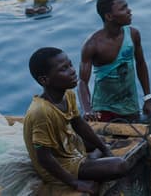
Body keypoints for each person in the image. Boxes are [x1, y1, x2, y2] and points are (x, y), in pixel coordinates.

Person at [24, 47, 129, 194]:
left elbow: (79, 124)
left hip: (67, 146)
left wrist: (105, 149)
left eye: (70, 65)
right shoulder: (41, 112)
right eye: (64, 69)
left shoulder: (68, 94)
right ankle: (89, 163)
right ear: (44, 80)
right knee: (120, 165)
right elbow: (44, 158)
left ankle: (92, 160)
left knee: (99, 140)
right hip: (60, 165)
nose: (72, 71)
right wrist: (75, 183)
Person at [78, 0, 151, 123]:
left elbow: (141, 64)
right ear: (109, 16)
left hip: (129, 105)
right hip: (103, 107)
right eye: (123, 9)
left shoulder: (133, 35)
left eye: (127, 6)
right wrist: (87, 110)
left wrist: (148, 98)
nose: (129, 11)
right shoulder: (92, 45)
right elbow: (82, 82)